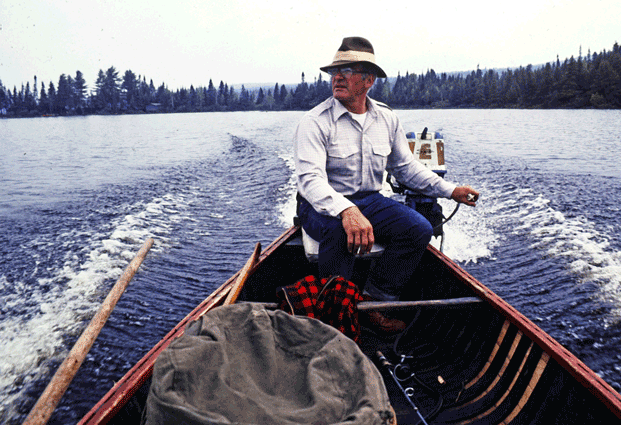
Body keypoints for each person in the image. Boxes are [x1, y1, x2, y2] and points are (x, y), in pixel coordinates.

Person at [294, 37, 479, 332]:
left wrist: (451, 190)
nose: (338, 77)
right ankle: (334, 315)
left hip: (369, 200)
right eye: (334, 71)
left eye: (348, 70)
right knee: (340, 233)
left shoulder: (387, 119)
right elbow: (310, 181)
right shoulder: (314, 122)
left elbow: (405, 168)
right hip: (320, 204)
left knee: (418, 229)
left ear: (368, 80)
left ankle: (372, 302)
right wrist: (346, 211)